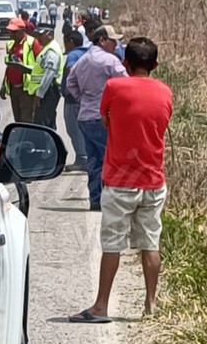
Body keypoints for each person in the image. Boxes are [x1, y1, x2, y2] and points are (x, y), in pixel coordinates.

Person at [68, 37, 173, 323]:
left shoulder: (115, 86)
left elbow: (105, 120)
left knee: (112, 244)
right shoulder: (165, 92)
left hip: (119, 180)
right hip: (153, 180)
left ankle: (101, 306)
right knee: (150, 242)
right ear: (155, 64)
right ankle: (151, 304)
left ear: (125, 63)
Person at [65, 25, 128, 211]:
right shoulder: (110, 61)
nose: (116, 45)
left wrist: (83, 98)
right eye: (113, 40)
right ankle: (112, 200)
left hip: (85, 115)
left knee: (93, 159)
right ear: (102, 40)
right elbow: (126, 85)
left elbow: (70, 83)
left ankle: (96, 198)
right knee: (109, 158)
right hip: (104, 117)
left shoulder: (82, 60)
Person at [0, 17, 43, 124]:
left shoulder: (33, 43)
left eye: (14, 32)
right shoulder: (10, 44)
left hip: (27, 89)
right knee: (17, 119)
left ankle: (26, 140)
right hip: (14, 89)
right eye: (10, 32)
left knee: (26, 119)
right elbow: (9, 67)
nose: (11, 35)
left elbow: (40, 66)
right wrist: (4, 86)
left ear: (22, 31)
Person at [62, 30, 90, 172]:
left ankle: (82, 159)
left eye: (65, 42)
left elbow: (71, 70)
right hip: (85, 98)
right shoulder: (87, 52)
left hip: (73, 100)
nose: (64, 45)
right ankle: (84, 158)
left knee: (73, 129)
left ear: (71, 42)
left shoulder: (73, 54)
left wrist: (72, 90)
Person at [32, 28, 65, 130]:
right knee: (47, 123)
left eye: (41, 35)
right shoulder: (48, 47)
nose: (38, 38)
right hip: (47, 91)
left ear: (50, 34)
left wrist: (40, 94)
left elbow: (49, 74)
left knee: (42, 125)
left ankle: (44, 145)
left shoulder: (51, 51)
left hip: (48, 91)